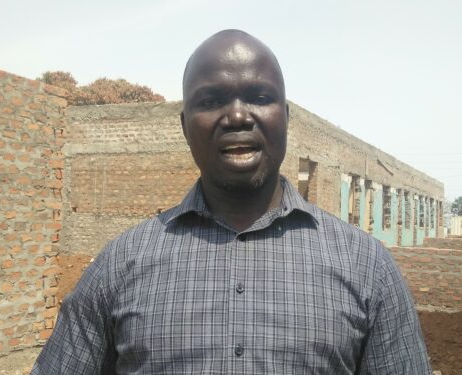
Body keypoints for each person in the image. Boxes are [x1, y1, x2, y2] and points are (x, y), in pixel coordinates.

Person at [32, 29, 432, 374]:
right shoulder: (119, 265)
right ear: (185, 126)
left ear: (286, 119)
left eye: (259, 96)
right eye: (211, 101)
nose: (238, 115)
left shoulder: (367, 268)